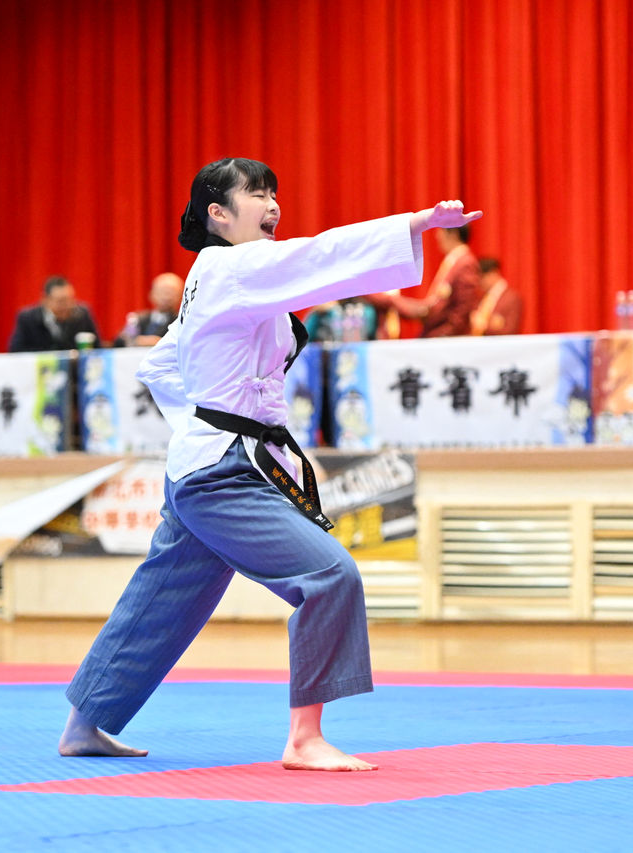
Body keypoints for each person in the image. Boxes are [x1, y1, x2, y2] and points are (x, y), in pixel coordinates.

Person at [58, 157, 480, 770]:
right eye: (257, 194)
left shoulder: (217, 276)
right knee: (328, 576)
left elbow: (159, 364)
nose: (273, 204)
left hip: (207, 464)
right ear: (219, 214)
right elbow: (320, 256)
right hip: (220, 472)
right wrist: (411, 225)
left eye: (274, 192)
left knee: (162, 597)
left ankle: (83, 724)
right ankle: (304, 739)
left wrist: (202, 426)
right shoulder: (230, 267)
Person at [377, 223, 481, 337]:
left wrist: (442, 336)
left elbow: (463, 310)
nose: (437, 236)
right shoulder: (454, 261)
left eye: (440, 231)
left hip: (447, 338)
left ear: (453, 234)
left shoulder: (465, 263)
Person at [7, 275, 101, 352]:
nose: (68, 305)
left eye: (71, 299)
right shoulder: (28, 318)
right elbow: (16, 350)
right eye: (61, 301)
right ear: (45, 300)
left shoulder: (82, 314)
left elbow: (98, 347)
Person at [114, 272, 184, 347]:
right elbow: (119, 341)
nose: (167, 297)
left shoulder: (181, 321)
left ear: (181, 296)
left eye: (171, 293)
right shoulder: (139, 319)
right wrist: (136, 341)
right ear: (151, 294)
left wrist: (159, 341)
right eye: (162, 291)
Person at [470, 257, 524, 335]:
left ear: (493, 273)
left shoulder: (512, 298)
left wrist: (484, 326)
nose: (479, 282)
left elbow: (511, 330)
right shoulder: (481, 297)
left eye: (481, 277)